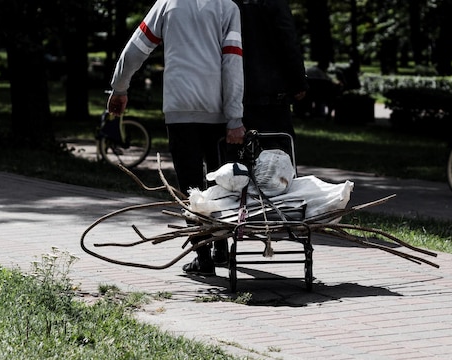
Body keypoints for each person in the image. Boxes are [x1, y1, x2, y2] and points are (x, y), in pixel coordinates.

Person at [107, 0, 246, 276]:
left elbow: (136, 48)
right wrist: (235, 117)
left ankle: (203, 257)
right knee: (219, 184)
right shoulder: (228, 8)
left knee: (189, 187)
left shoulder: (167, 4)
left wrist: (119, 87)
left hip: (179, 110)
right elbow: (232, 62)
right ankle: (220, 247)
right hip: (216, 111)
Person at [233, 0, 309, 139]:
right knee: (277, 147)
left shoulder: (228, 3)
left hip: (235, 88)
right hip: (272, 91)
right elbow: (287, 40)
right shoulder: (275, 3)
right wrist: (299, 82)